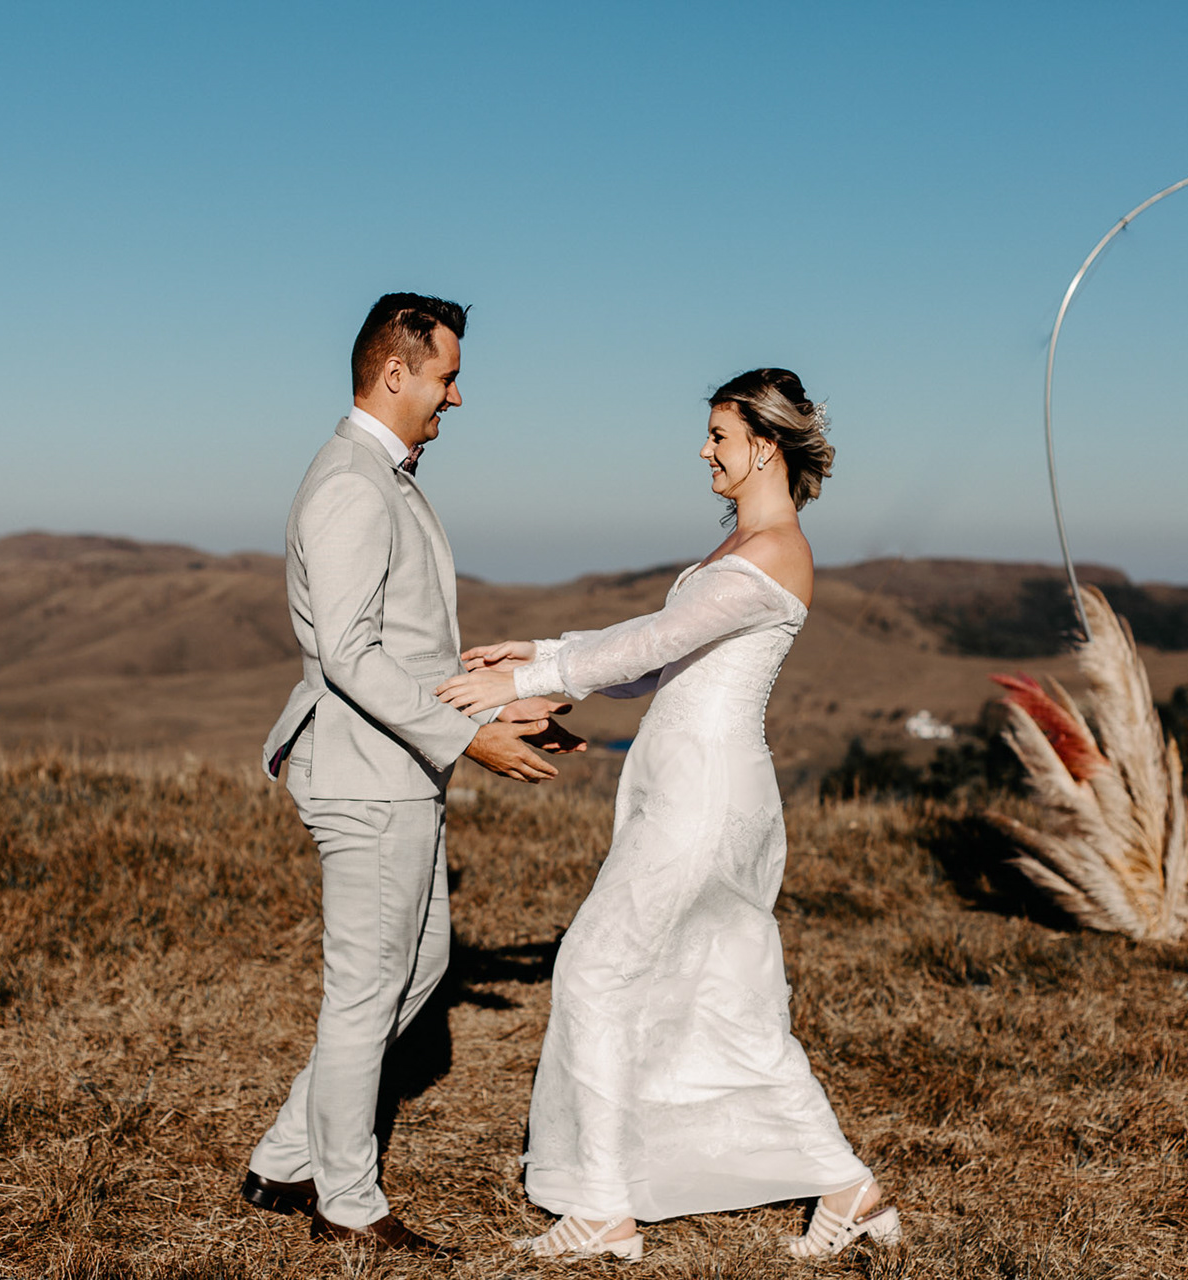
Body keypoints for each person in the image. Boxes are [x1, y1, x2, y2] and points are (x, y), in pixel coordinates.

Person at [436, 368, 897, 1261]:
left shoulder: (775, 551)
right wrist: (543, 650)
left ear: (765, 444)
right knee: (730, 998)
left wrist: (522, 680)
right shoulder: (742, 547)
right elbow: (656, 664)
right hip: (690, 786)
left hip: (705, 798)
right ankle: (851, 1192)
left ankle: (605, 1211)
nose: (704, 451)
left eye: (719, 435)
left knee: (595, 970)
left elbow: (652, 640)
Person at [240, 292, 582, 1258]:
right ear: (396, 372)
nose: (457, 397)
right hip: (366, 776)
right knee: (365, 991)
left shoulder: (384, 476)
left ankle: (284, 1158)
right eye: (447, 377)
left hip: (395, 768)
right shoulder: (353, 483)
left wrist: (504, 707)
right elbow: (349, 655)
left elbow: (405, 646)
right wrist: (468, 738)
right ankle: (346, 1203)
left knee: (420, 968)